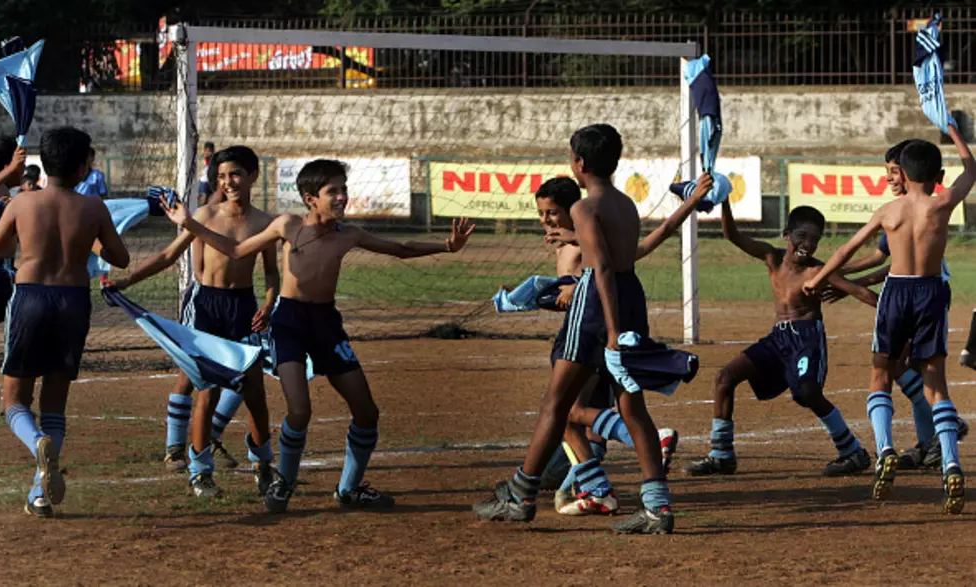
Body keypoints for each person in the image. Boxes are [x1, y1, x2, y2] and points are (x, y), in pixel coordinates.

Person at [160, 158, 475, 513]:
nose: (342, 197)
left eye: (344, 189)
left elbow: (400, 249)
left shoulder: (349, 234)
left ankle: (349, 490)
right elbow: (234, 250)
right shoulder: (287, 225)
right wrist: (189, 224)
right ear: (311, 198)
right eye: (333, 191)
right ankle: (284, 483)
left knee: (367, 412)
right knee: (299, 410)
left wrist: (448, 246)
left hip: (326, 325)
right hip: (289, 324)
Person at [474, 124, 693, 534]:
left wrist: (610, 332)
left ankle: (521, 496)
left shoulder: (583, 208)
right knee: (632, 405)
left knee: (556, 404)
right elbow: (621, 255)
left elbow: (601, 268)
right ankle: (657, 508)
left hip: (597, 304)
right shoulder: (625, 203)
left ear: (579, 163)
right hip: (631, 298)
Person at [803, 124, 976, 514]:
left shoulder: (888, 211)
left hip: (896, 294)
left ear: (903, 173)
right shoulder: (941, 204)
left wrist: (817, 276)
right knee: (937, 382)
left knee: (880, 375)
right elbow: (972, 169)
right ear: (934, 176)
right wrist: (952, 130)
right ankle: (950, 460)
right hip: (932, 292)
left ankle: (884, 451)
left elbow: (848, 248)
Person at [106, 146, 278, 498]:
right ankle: (200, 470)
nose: (227, 182)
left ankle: (263, 464)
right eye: (221, 176)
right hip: (207, 307)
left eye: (235, 174)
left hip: (244, 308)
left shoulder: (265, 222)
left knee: (256, 395)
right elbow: (169, 255)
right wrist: (126, 281)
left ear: (252, 176)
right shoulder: (205, 215)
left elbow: (272, 273)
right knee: (207, 391)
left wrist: (269, 305)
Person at [684, 204, 876, 479]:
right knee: (725, 377)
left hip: (806, 338)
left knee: (808, 394)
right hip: (778, 338)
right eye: (802, 235)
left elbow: (859, 291)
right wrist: (724, 202)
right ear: (786, 234)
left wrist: (894, 313)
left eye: (815, 239)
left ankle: (853, 451)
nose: (808, 244)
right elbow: (732, 235)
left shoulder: (819, 271)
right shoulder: (771, 257)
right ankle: (721, 455)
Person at [0, 127, 129, 518]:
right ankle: (39, 490)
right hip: (73, 300)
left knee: (14, 400)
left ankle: (37, 443)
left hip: (30, 296)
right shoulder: (93, 208)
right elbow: (119, 258)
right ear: (83, 166)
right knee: (55, 399)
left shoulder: (23, 203)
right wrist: (91, 239)